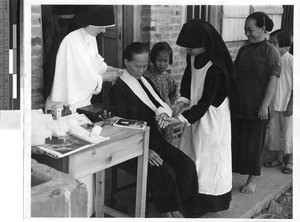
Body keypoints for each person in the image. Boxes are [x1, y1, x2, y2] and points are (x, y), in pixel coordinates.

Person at [109, 42, 199, 218]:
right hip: (132, 146)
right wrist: (143, 149)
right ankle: (169, 211)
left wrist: (163, 115)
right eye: (137, 66)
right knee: (165, 172)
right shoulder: (118, 89)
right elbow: (120, 125)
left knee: (187, 166)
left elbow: (160, 104)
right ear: (126, 62)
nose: (142, 70)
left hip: (154, 140)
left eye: (144, 66)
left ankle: (178, 206)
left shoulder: (146, 81)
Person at [165, 19, 239, 216]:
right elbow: (189, 82)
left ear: (205, 43)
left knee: (208, 157)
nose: (188, 50)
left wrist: (180, 119)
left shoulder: (216, 68)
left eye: (192, 47)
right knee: (191, 152)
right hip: (194, 111)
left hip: (212, 116)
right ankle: (189, 198)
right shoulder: (193, 57)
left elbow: (206, 102)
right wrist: (182, 102)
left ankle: (207, 203)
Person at [232, 12, 281, 194]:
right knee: (237, 141)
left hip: (258, 107)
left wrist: (264, 105)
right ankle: (232, 173)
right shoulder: (244, 50)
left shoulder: (271, 51)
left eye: (250, 30)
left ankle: (252, 179)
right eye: (245, 30)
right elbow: (235, 75)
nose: (247, 34)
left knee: (254, 143)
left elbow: (273, 81)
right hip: (241, 104)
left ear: (262, 28)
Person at [44, 5, 121, 113]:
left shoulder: (89, 36)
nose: (103, 31)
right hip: (65, 105)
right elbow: (83, 80)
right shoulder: (72, 41)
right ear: (90, 22)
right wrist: (104, 78)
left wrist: (112, 69)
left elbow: (93, 63)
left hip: (82, 103)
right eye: (100, 27)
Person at [265, 29, 293, 174]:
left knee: (288, 133)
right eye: (271, 42)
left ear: (286, 47)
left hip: (287, 104)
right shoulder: (272, 59)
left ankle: (289, 161)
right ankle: (278, 158)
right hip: (275, 103)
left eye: (275, 43)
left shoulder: (291, 61)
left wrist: (291, 104)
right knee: (274, 133)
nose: (272, 45)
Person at [144, 42, 178, 142]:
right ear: (154, 59)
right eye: (159, 60)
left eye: (165, 61)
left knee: (167, 143)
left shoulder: (169, 79)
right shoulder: (146, 76)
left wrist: (169, 108)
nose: (162, 64)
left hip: (167, 117)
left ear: (170, 60)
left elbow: (173, 95)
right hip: (153, 116)